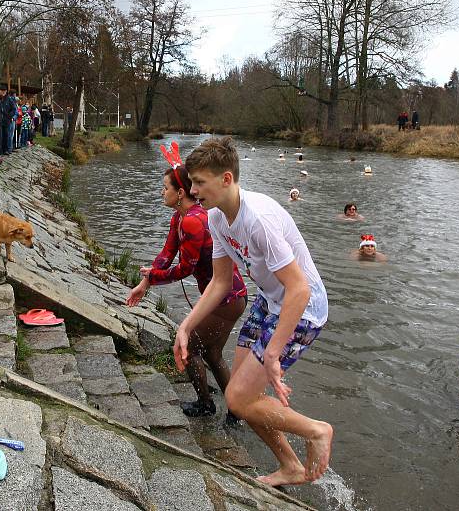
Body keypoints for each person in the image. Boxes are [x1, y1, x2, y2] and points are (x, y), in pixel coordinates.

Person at [176, 137, 332, 486]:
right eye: (191, 182)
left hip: (303, 308)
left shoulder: (257, 219)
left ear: (226, 179)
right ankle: (290, 465)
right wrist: (185, 327)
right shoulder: (216, 218)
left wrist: (274, 352)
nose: (193, 189)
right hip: (270, 300)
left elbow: (300, 289)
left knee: (237, 397)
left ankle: (316, 431)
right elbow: (219, 282)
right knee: (243, 398)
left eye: (199, 182)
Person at [127, 147, 247, 417]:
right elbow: (166, 254)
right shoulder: (179, 217)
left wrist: (153, 277)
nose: (162, 192)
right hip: (226, 296)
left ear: (180, 193)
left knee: (190, 347)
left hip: (227, 299)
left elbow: (184, 268)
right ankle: (237, 411)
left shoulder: (194, 222)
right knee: (213, 354)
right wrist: (145, 284)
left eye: (165, 188)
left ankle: (206, 404)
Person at [0, 84, 16, 155]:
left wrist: (9, 116)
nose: (3, 92)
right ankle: (0, 150)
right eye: (2, 90)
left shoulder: (9, 99)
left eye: (4, 91)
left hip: (6, 120)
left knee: (6, 135)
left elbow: (14, 109)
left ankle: (6, 149)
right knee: (0, 136)